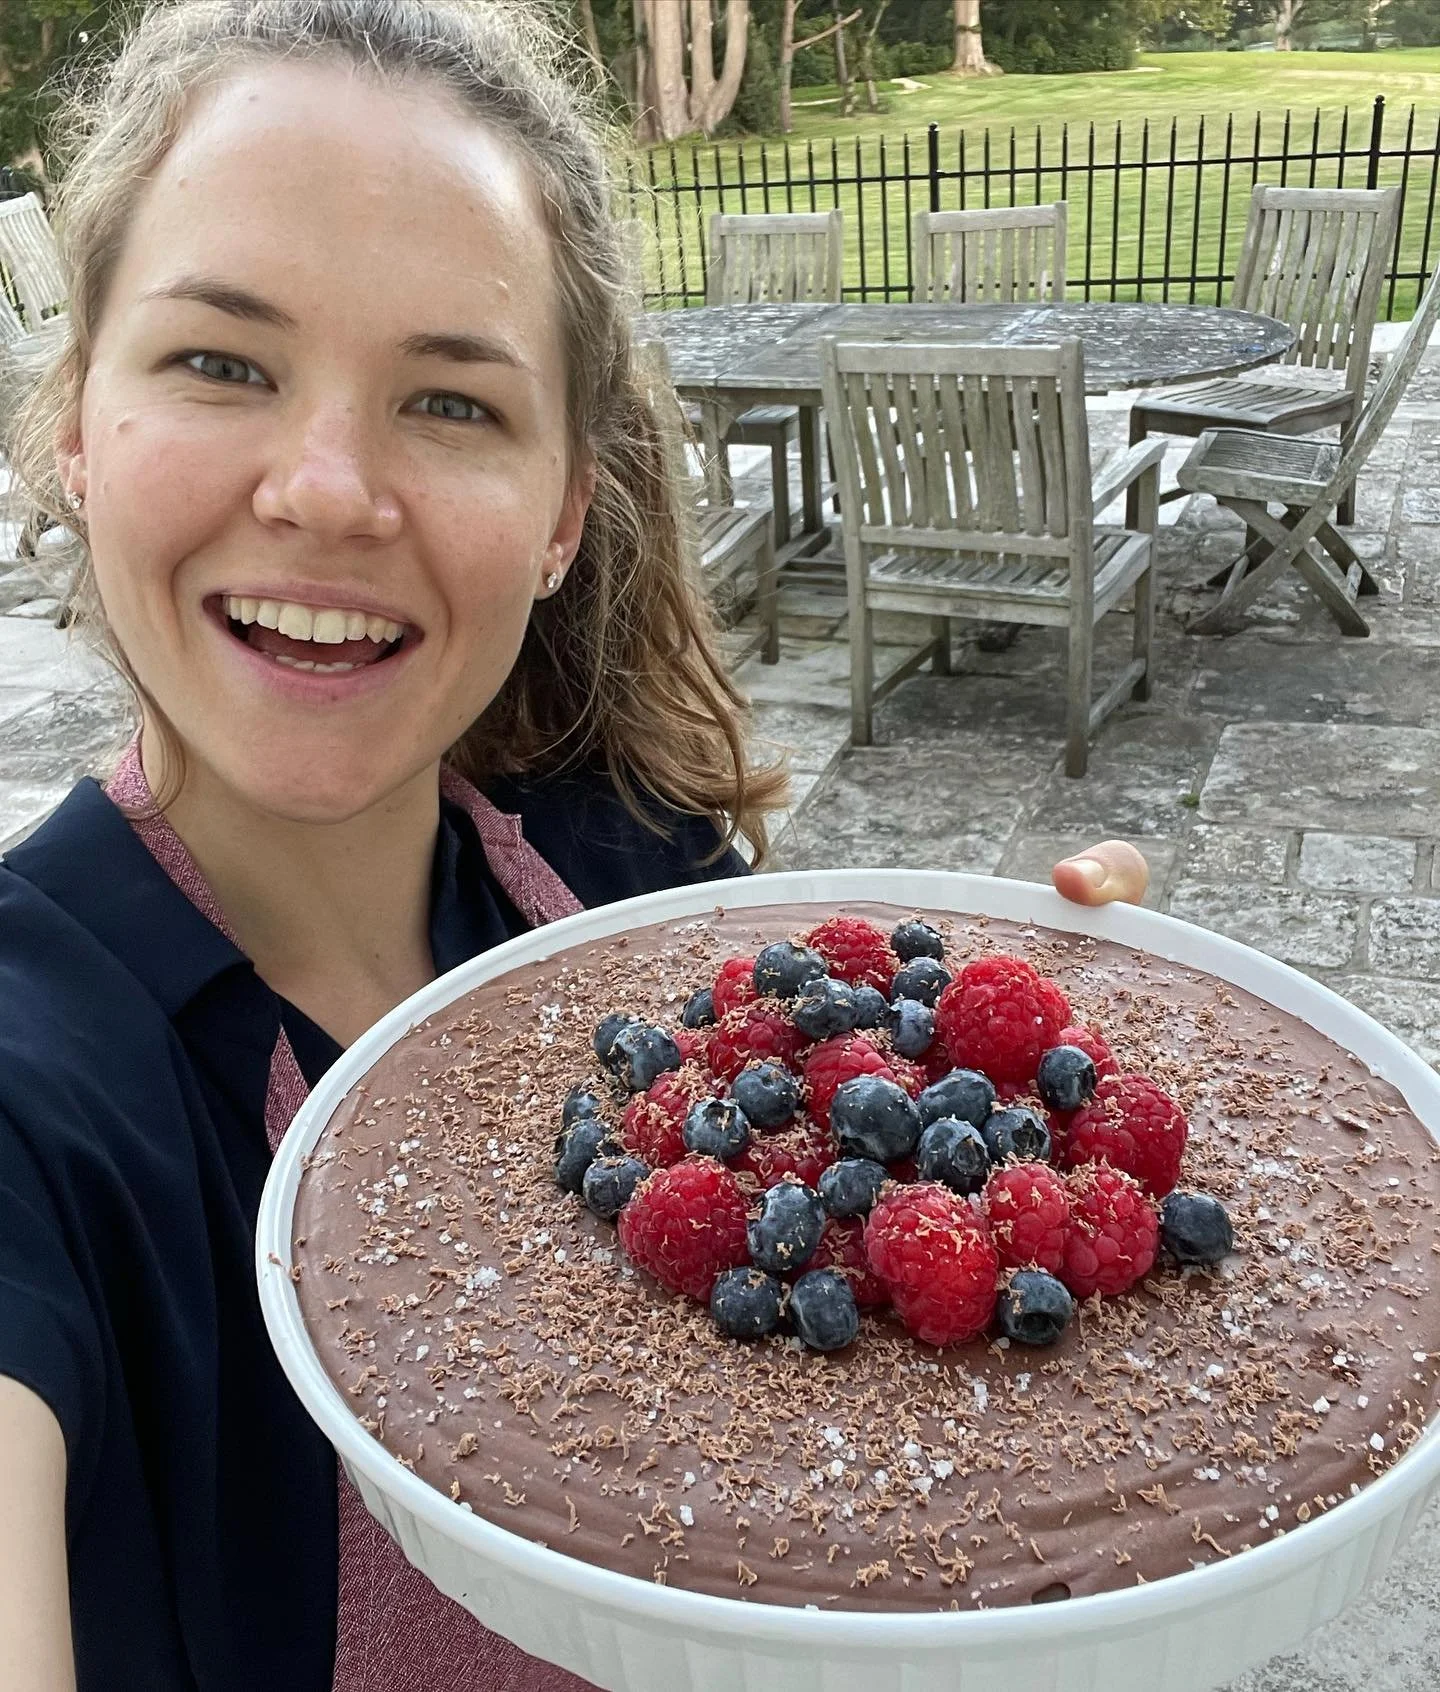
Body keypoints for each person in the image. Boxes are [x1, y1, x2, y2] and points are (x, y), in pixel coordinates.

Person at [0, 3, 1150, 1688]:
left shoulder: (635, 872)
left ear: (559, 514)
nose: (327, 490)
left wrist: (1055, 1148)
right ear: (76, 429)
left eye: (451, 402)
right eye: (223, 363)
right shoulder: (37, 1081)